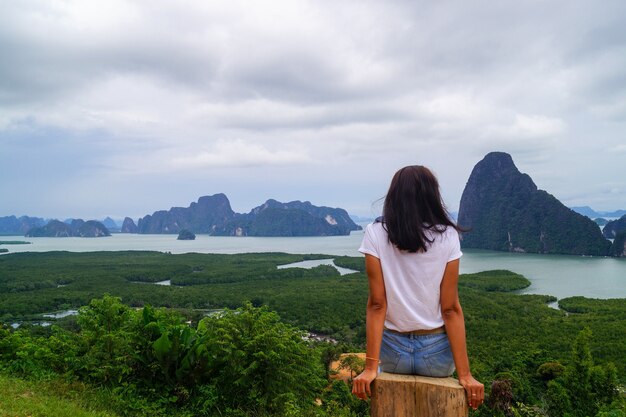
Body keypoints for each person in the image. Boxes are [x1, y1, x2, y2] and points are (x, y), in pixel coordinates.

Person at [351, 165, 484, 410]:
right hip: (437, 354)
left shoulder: (375, 233)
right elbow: (450, 309)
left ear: (393, 197)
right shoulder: (448, 236)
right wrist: (466, 375)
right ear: (432, 197)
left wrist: (370, 368)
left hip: (392, 353)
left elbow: (377, 304)